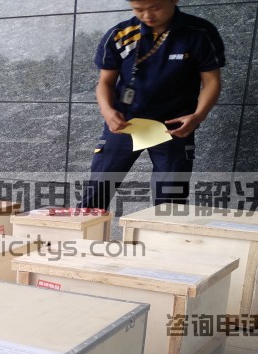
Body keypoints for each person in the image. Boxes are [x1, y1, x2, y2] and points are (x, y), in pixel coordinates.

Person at [80, 0, 224, 210]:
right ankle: (85, 230)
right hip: (124, 123)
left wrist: (198, 116)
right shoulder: (120, 35)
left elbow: (212, 81)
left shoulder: (199, 33)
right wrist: (107, 111)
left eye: (155, 8)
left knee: (170, 202)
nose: (147, 16)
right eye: (139, 10)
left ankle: (163, 232)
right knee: (97, 191)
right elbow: (105, 82)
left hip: (174, 128)